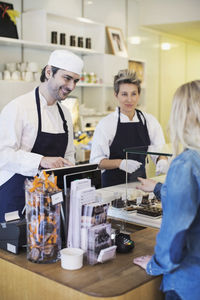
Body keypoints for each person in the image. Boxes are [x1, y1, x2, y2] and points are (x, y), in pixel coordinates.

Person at [133, 80, 200, 300]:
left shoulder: (186, 163)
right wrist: (160, 188)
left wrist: (155, 264)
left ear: (183, 116)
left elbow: (175, 234)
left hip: (188, 282)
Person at [0, 49, 83, 222]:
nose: (71, 86)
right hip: (15, 197)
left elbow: (68, 155)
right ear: (48, 72)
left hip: (50, 201)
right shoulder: (18, 107)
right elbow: (3, 154)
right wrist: (41, 160)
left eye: (75, 81)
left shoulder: (65, 114)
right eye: (66, 78)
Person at [90, 69, 168, 187]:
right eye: (124, 94)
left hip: (141, 186)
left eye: (133, 94)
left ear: (139, 95)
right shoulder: (106, 124)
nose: (130, 100)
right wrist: (120, 163)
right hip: (111, 188)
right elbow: (97, 162)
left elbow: (159, 150)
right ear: (116, 95)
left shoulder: (150, 121)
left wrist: (162, 160)